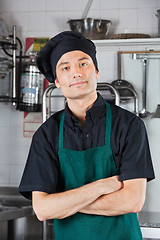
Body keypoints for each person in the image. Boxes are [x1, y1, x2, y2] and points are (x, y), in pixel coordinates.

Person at [19, 31, 155, 240]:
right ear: (56, 80)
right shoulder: (46, 135)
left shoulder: (129, 125)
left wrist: (64, 204)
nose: (76, 73)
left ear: (96, 71)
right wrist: (102, 186)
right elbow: (43, 209)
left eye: (83, 64)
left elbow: (132, 201)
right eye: (66, 67)